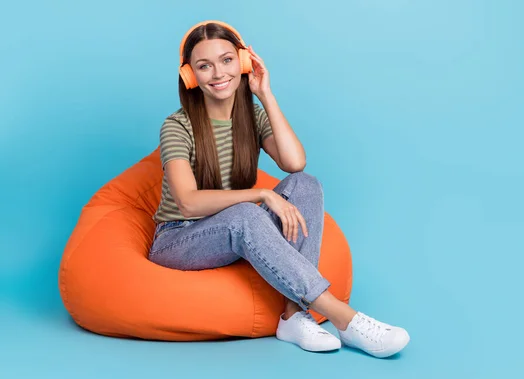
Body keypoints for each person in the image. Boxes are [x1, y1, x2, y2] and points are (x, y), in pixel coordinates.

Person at [148, 20, 410, 358]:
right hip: (179, 239)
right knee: (245, 214)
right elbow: (187, 203)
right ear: (190, 76)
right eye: (204, 65)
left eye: (227, 60)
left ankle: (292, 315)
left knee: (306, 184)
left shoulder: (251, 116)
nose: (217, 73)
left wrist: (265, 94)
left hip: (231, 226)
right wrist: (260, 194)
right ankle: (344, 318)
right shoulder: (176, 126)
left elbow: (294, 162)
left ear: (243, 63)